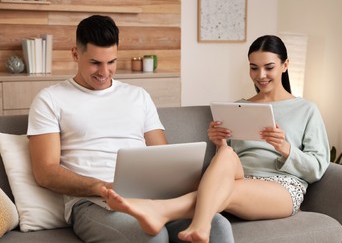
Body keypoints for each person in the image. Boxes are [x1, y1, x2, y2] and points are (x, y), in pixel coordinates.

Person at [101, 35, 331, 243]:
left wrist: (285, 147)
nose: (260, 75)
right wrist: (220, 143)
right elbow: (230, 161)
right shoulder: (240, 106)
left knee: (224, 190)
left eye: (268, 67)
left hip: (281, 186)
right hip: (241, 177)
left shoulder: (306, 109)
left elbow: (318, 167)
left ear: (285, 65)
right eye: (254, 68)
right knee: (225, 154)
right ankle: (169, 215)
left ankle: (181, 218)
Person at [27, 15, 234, 243]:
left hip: (152, 198)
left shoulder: (138, 96)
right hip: (92, 202)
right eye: (95, 63)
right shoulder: (50, 99)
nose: (104, 72)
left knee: (218, 226)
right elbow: (45, 172)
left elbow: (162, 156)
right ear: (76, 54)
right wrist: (100, 186)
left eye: (111, 62)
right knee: (152, 237)